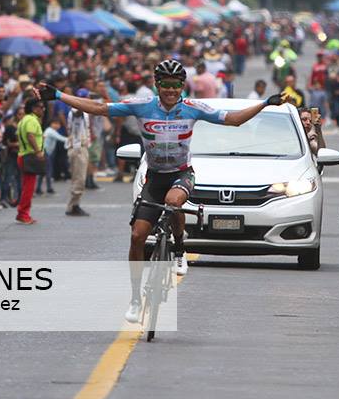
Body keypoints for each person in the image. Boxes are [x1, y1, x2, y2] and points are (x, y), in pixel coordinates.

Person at [37, 58, 284, 323]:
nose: (170, 90)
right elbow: (99, 108)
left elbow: (233, 120)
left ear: (182, 86)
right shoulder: (142, 106)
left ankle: (179, 250)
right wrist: (58, 95)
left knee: (173, 200)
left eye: (175, 85)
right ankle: (134, 298)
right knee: (136, 236)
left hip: (181, 174)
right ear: (156, 85)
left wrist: (264, 104)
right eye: (164, 84)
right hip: (154, 177)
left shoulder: (192, 108)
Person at [17, 98, 45, 225]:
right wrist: (38, 151)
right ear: (34, 108)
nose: (43, 109)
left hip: (25, 155)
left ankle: (23, 213)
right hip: (29, 155)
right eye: (40, 107)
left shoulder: (25, 119)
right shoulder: (31, 120)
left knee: (27, 186)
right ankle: (23, 214)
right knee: (29, 188)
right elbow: (30, 135)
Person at [65, 89, 92, 216]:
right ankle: (73, 205)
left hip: (82, 146)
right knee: (79, 179)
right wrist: (80, 104)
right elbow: (77, 113)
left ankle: (75, 204)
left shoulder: (85, 112)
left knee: (80, 177)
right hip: (77, 147)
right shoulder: (76, 111)